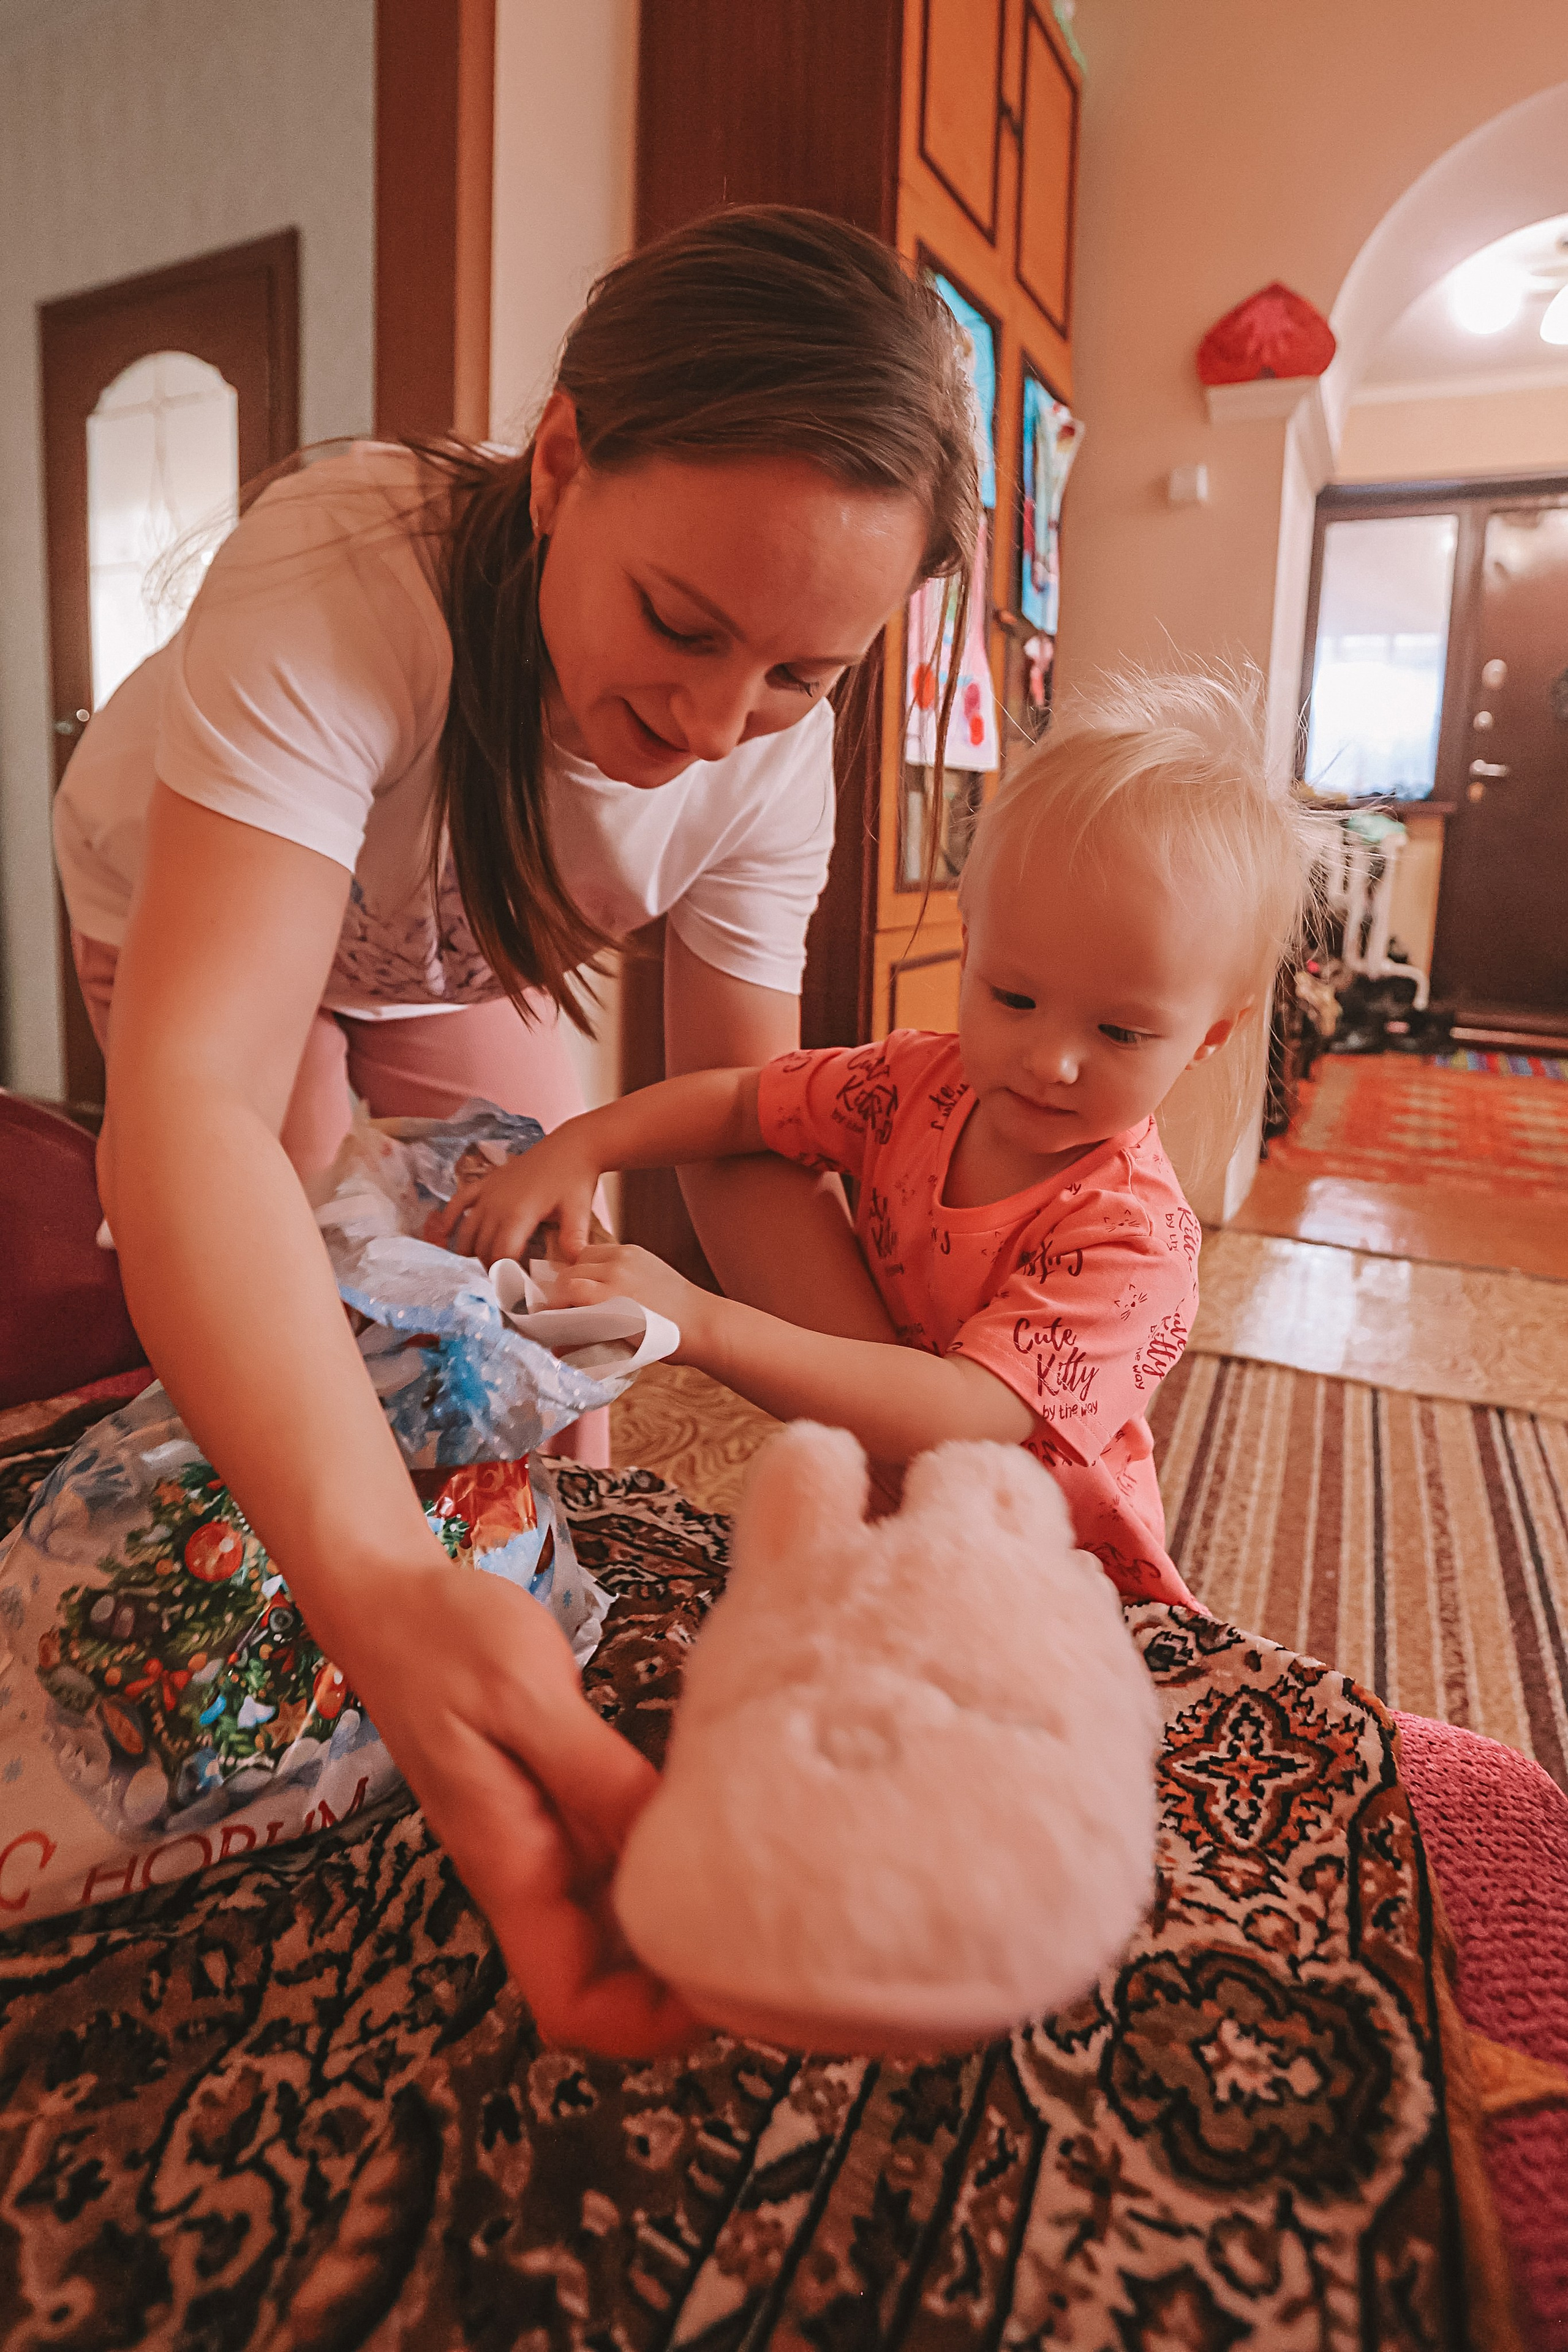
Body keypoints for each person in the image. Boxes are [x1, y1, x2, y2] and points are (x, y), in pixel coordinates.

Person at [51, 207, 979, 2053]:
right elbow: (198, 1112)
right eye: (680, 625)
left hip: (455, 936)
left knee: (550, 1318)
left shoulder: (762, 742)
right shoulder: (348, 566)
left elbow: (737, 1139)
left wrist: (906, 1439)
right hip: (192, 905)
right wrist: (378, 1580)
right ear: (561, 465)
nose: (718, 724)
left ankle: (521, 1611)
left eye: (800, 673)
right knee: (321, 1292)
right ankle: (369, 1653)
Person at [438, 674, 1328, 1602]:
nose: (1051, 1061)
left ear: (1212, 1033)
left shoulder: (1132, 1241)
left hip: (1042, 1584)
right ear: (970, 937)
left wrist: (703, 1323)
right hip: (887, 1517)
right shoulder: (917, 1084)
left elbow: (966, 1416)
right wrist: (580, 1146)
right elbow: (747, 1105)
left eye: (1120, 1032)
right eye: (1013, 999)